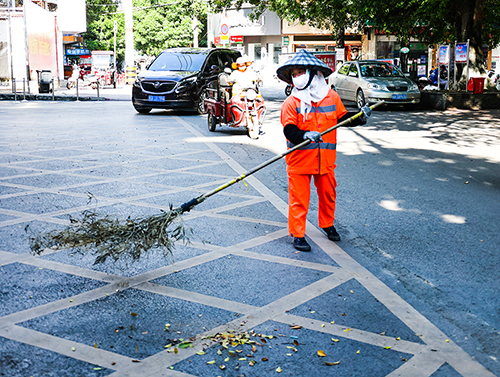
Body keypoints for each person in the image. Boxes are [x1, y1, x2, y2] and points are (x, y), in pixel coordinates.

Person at [276, 49, 372, 251]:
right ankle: (298, 234)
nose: (297, 77)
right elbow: (289, 129)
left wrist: (360, 117)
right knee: (299, 200)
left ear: (312, 72)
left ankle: (327, 224)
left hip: (325, 161)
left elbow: (343, 118)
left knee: (328, 195)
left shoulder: (332, 97)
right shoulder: (291, 102)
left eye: (300, 72)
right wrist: (303, 135)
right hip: (300, 162)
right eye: (293, 75)